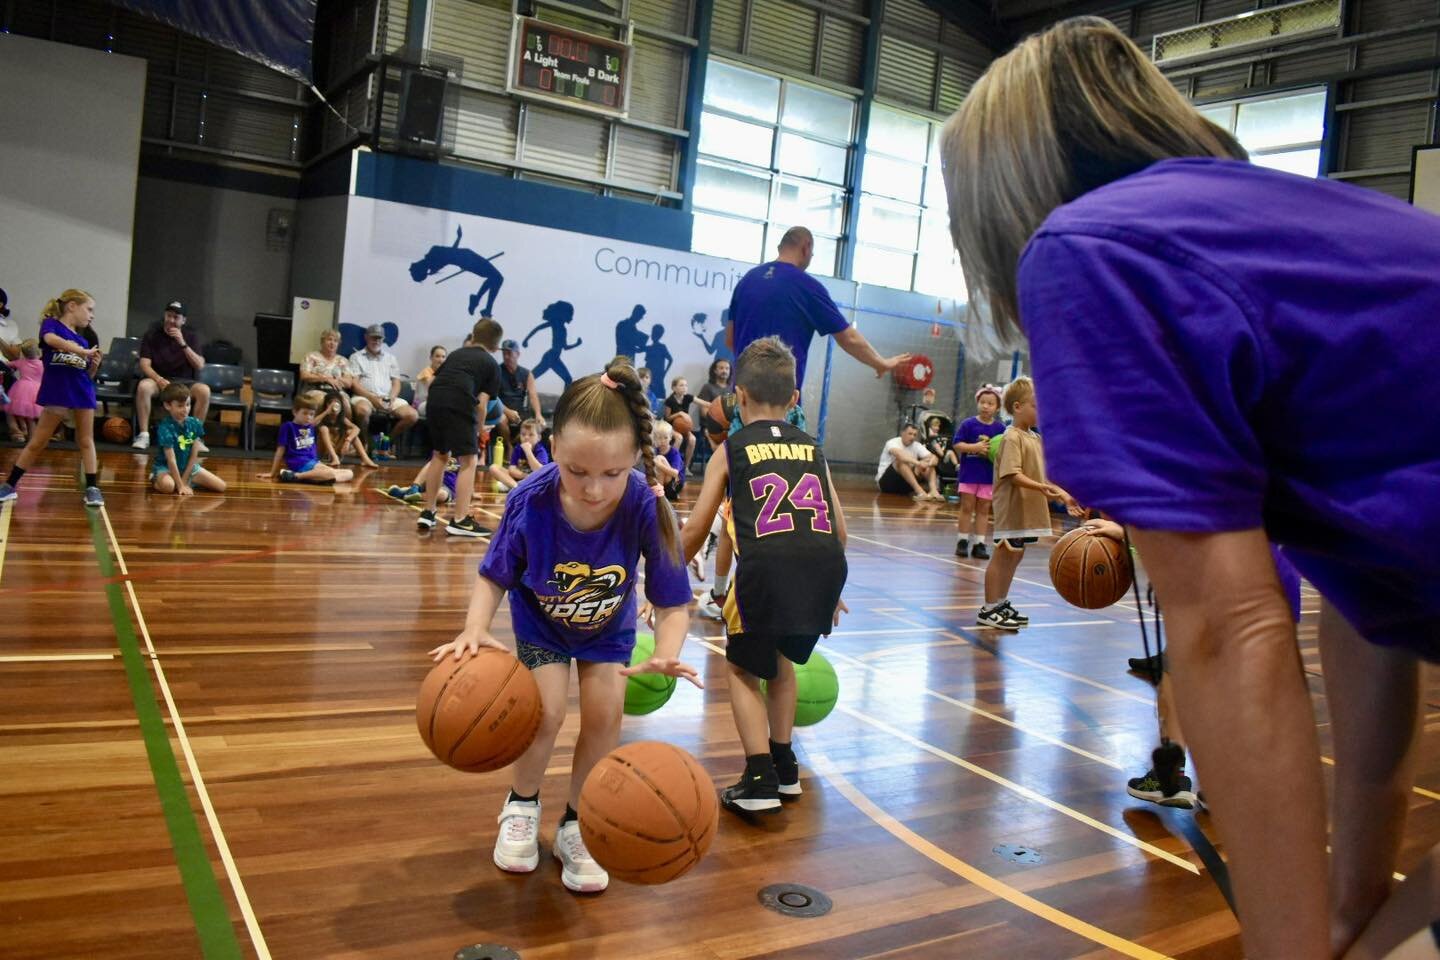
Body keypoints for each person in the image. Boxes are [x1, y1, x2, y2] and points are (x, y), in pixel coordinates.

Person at [943, 17, 1440, 958]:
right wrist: (1347, 909)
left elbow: (1227, 628)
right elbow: (1371, 631)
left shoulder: (1089, 248)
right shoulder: (1305, 231)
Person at [429, 357, 699, 894]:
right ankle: (522, 805)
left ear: (633, 463)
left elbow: (673, 603)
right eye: (577, 471)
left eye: (611, 474)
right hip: (542, 624)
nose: (594, 488)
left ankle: (579, 821)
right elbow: (492, 575)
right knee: (545, 713)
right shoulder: (528, 500)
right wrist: (474, 628)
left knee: (604, 715)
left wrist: (667, 649)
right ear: (553, 450)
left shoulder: (647, 503)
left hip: (608, 629)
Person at [680, 337, 848, 813]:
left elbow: (696, 526)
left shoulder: (731, 448)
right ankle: (784, 764)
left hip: (766, 572)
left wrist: (665, 576)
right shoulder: (814, 448)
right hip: (822, 569)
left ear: (739, 397)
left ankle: (758, 779)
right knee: (782, 664)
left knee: (741, 669)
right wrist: (832, 591)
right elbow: (839, 525)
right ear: (794, 399)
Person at [727, 226, 909, 403]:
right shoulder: (807, 286)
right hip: (778, 401)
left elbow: (730, 340)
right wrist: (880, 363)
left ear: (780, 248)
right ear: (806, 248)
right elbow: (849, 338)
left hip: (741, 398)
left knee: (742, 434)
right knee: (778, 434)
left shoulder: (746, 281)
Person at [976, 377, 1082, 630]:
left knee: (1015, 556)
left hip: (1028, 510)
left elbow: (1042, 475)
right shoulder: (1012, 437)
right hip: (1012, 508)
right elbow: (1013, 474)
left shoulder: (1035, 438)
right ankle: (989, 608)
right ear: (1017, 407)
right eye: (1035, 405)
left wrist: (1063, 494)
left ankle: (1001, 603)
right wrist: (1042, 488)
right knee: (1003, 555)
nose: (1040, 411)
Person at [0, 291, 104, 506]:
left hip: (82, 390)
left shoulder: (84, 339)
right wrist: (80, 350)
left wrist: (92, 365)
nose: (92, 315)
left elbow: (85, 374)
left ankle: (92, 488)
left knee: (85, 440)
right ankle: (10, 485)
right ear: (72, 306)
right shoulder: (51, 325)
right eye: (89, 309)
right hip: (58, 391)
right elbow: (50, 340)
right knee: (38, 441)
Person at [417, 318, 502, 538]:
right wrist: (479, 431)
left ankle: (428, 512)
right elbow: (482, 405)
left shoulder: (456, 354)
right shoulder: (491, 364)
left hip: (435, 400)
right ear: (495, 345)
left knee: (440, 455)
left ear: (473, 336)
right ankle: (461, 519)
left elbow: (435, 382)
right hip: (459, 401)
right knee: (469, 460)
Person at [132, 301, 209, 450]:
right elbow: (144, 364)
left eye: (176, 317)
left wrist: (182, 343)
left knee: (204, 391)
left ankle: (193, 438)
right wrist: (158, 379)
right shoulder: (152, 334)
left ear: (183, 320)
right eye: (169, 316)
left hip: (184, 382)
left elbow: (199, 364)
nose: (171, 320)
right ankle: (144, 434)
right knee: (144, 387)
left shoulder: (191, 337)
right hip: (160, 379)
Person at [952, 384, 1005, 559]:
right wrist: (974, 447)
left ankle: (980, 544)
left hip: (988, 476)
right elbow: (957, 444)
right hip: (969, 474)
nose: (985, 406)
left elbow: (1004, 450)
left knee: (984, 509)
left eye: (990, 403)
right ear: (978, 403)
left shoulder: (1001, 429)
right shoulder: (968, 424)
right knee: (967, 507)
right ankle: (962, 540)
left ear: (997, 407)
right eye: (982, 402)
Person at [348, 323, 419, 453]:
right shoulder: (356, 357)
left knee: (412, 415)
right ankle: (365, 444)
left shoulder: (391, 358)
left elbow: (396, 382)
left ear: (383, 340)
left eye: (379, 338)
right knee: (362, 411)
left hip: (388, 397)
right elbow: (355, 384)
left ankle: (385, 443)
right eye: (373, 337)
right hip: (365, 397)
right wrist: (372, 398)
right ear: (366, 337)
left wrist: (391, 398)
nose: (376, 341)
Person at [257, 392, 354, 484]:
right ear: (295, 412)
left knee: (349, 473)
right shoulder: (288, 426)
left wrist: (327, 411)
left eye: (311, 414)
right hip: (299, 463)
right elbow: (280, 450)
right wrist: (272, 473)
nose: (308, 417)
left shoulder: (309, 425)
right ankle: (300, 476)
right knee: (329, 473)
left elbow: (316, 420)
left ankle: (301, 477)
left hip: (314, 463)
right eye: (305, 413)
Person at [150, 382, 226, 496]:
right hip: (167, 468)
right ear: (167, 405)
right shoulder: (165, 428)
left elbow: (194, 455)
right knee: (169, 487)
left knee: (221, 486)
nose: (185, 409)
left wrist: (184, 482)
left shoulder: (195, 423)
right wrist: (180, 486)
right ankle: (155, 479)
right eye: (180, 406)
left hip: (187, 468)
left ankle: (185, 481)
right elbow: (171, 460)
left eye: (188, 404)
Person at [876, 423, 943, 501]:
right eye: (910, 434)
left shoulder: (917, 445)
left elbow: (934, 458)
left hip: (906, 484)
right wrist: (919, 463)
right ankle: (920, 492)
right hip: (887, 483)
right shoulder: (892, 442)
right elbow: (900, 456)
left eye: (915, 435)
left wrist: (929, 463)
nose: (912, 437)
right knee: (900, 461)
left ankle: (934, 492)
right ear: (902, 433)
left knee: (928, 463)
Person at [523, 301, 582, 388]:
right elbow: (538, 328)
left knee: (568, 379)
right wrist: (526, 340)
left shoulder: (563, 329)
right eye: (569, 313)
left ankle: (565, 401)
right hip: (550, 357)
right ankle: (519, 390)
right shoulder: (556, 323)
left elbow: (565, 347)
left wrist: (577, 344)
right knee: (531, 377)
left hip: (555, 358)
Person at [496, 338, 545, 439]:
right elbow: (494, 397)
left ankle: (526, 449)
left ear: (517, 354)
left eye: (509, 353)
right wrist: (507, 411)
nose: (506, 356)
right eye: (504, 353)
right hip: (503, 410)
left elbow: (533, 396)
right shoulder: (496, 371)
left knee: (540, 425)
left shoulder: (526, 374)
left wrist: (538, 414)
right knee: (502, 420)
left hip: (521, 411)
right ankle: (509, 446)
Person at [488, 418, 549, 493]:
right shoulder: (518, 448)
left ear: (538, 438)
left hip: (535, 481)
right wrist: (525, 476)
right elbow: (512, 470)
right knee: (493, 468)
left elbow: (540, 472)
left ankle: (513, 487)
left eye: (531, 435)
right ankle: (516, 488)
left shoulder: (540, 451)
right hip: (520, 478)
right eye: (523, 434)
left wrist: (528, 452)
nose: (526, 437)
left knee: (543, 480)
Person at [4, 339, 43, 442]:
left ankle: (24, 433)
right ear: (39, 353)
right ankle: (32, 438)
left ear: (24, 353)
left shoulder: (21, 362)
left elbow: (7, 364)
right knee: (31, 417)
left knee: (25, 415)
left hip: (21, 389)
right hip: (36, 390)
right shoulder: (42, 364)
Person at [389, 456, 458, 505]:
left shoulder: (465, 458)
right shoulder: (443, 449)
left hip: (447, 488)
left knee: (442, 495)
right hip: (430, 480)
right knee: (434, 460)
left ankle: (407, 494)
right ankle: (414, 488)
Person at [662, 376, 696, 472]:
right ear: (674, 388)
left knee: (693, 439)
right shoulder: (670, 400)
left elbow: (704, 403)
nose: (684, 387)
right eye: (681, 385)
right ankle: (670, 464)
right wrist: (679, 413)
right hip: (670, 426)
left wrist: (717, 404)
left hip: (683, 428)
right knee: (679, 438)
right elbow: (667, 418)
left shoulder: (687, 397)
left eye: (686, 385)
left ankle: (686, 467)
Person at [696, 358, 731, 439]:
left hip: (729, 427)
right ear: (715, 370)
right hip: (711, 427)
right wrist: (721, 418)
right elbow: (703, 412)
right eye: (721, 368)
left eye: (727, 368)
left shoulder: (732, 389)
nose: (724, 371)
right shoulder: (708, 387)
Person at [652, 419, 684, 502]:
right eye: (659, 438)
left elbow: (675, 473)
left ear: (670, 437)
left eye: (665, 438)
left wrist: (659, 465)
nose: (662, 441)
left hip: (675, 485)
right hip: (663, 484)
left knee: (660, 458)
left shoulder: (674, 453)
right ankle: (659, 492)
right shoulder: (655, 450)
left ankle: (659, 495)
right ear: (655, 439)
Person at [414, 344, 447, 416]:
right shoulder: (425, 372)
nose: (441, 360)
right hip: (421, 404)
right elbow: (434, 391)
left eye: (443, 357)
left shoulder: (445, 373)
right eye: (437, 356)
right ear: (431, 358)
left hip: (436, 403)